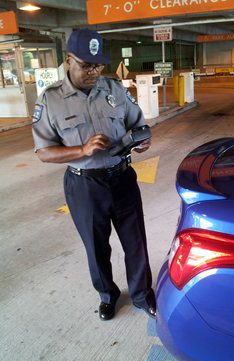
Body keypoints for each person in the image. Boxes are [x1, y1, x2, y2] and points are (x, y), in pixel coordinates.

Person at [32, 28, 156, 321]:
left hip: (122, 177)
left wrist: (142, 141)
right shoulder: (50, 100)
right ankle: (107, 295)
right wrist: (82, 150)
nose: (93, 71)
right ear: (68, 60)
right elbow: (44, 152)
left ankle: (141, 294)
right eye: (86, 65)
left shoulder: (113, 90)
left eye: (98, 64)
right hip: (84, 185)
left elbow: (138, 125)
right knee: (96, 246)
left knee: (135, 241)